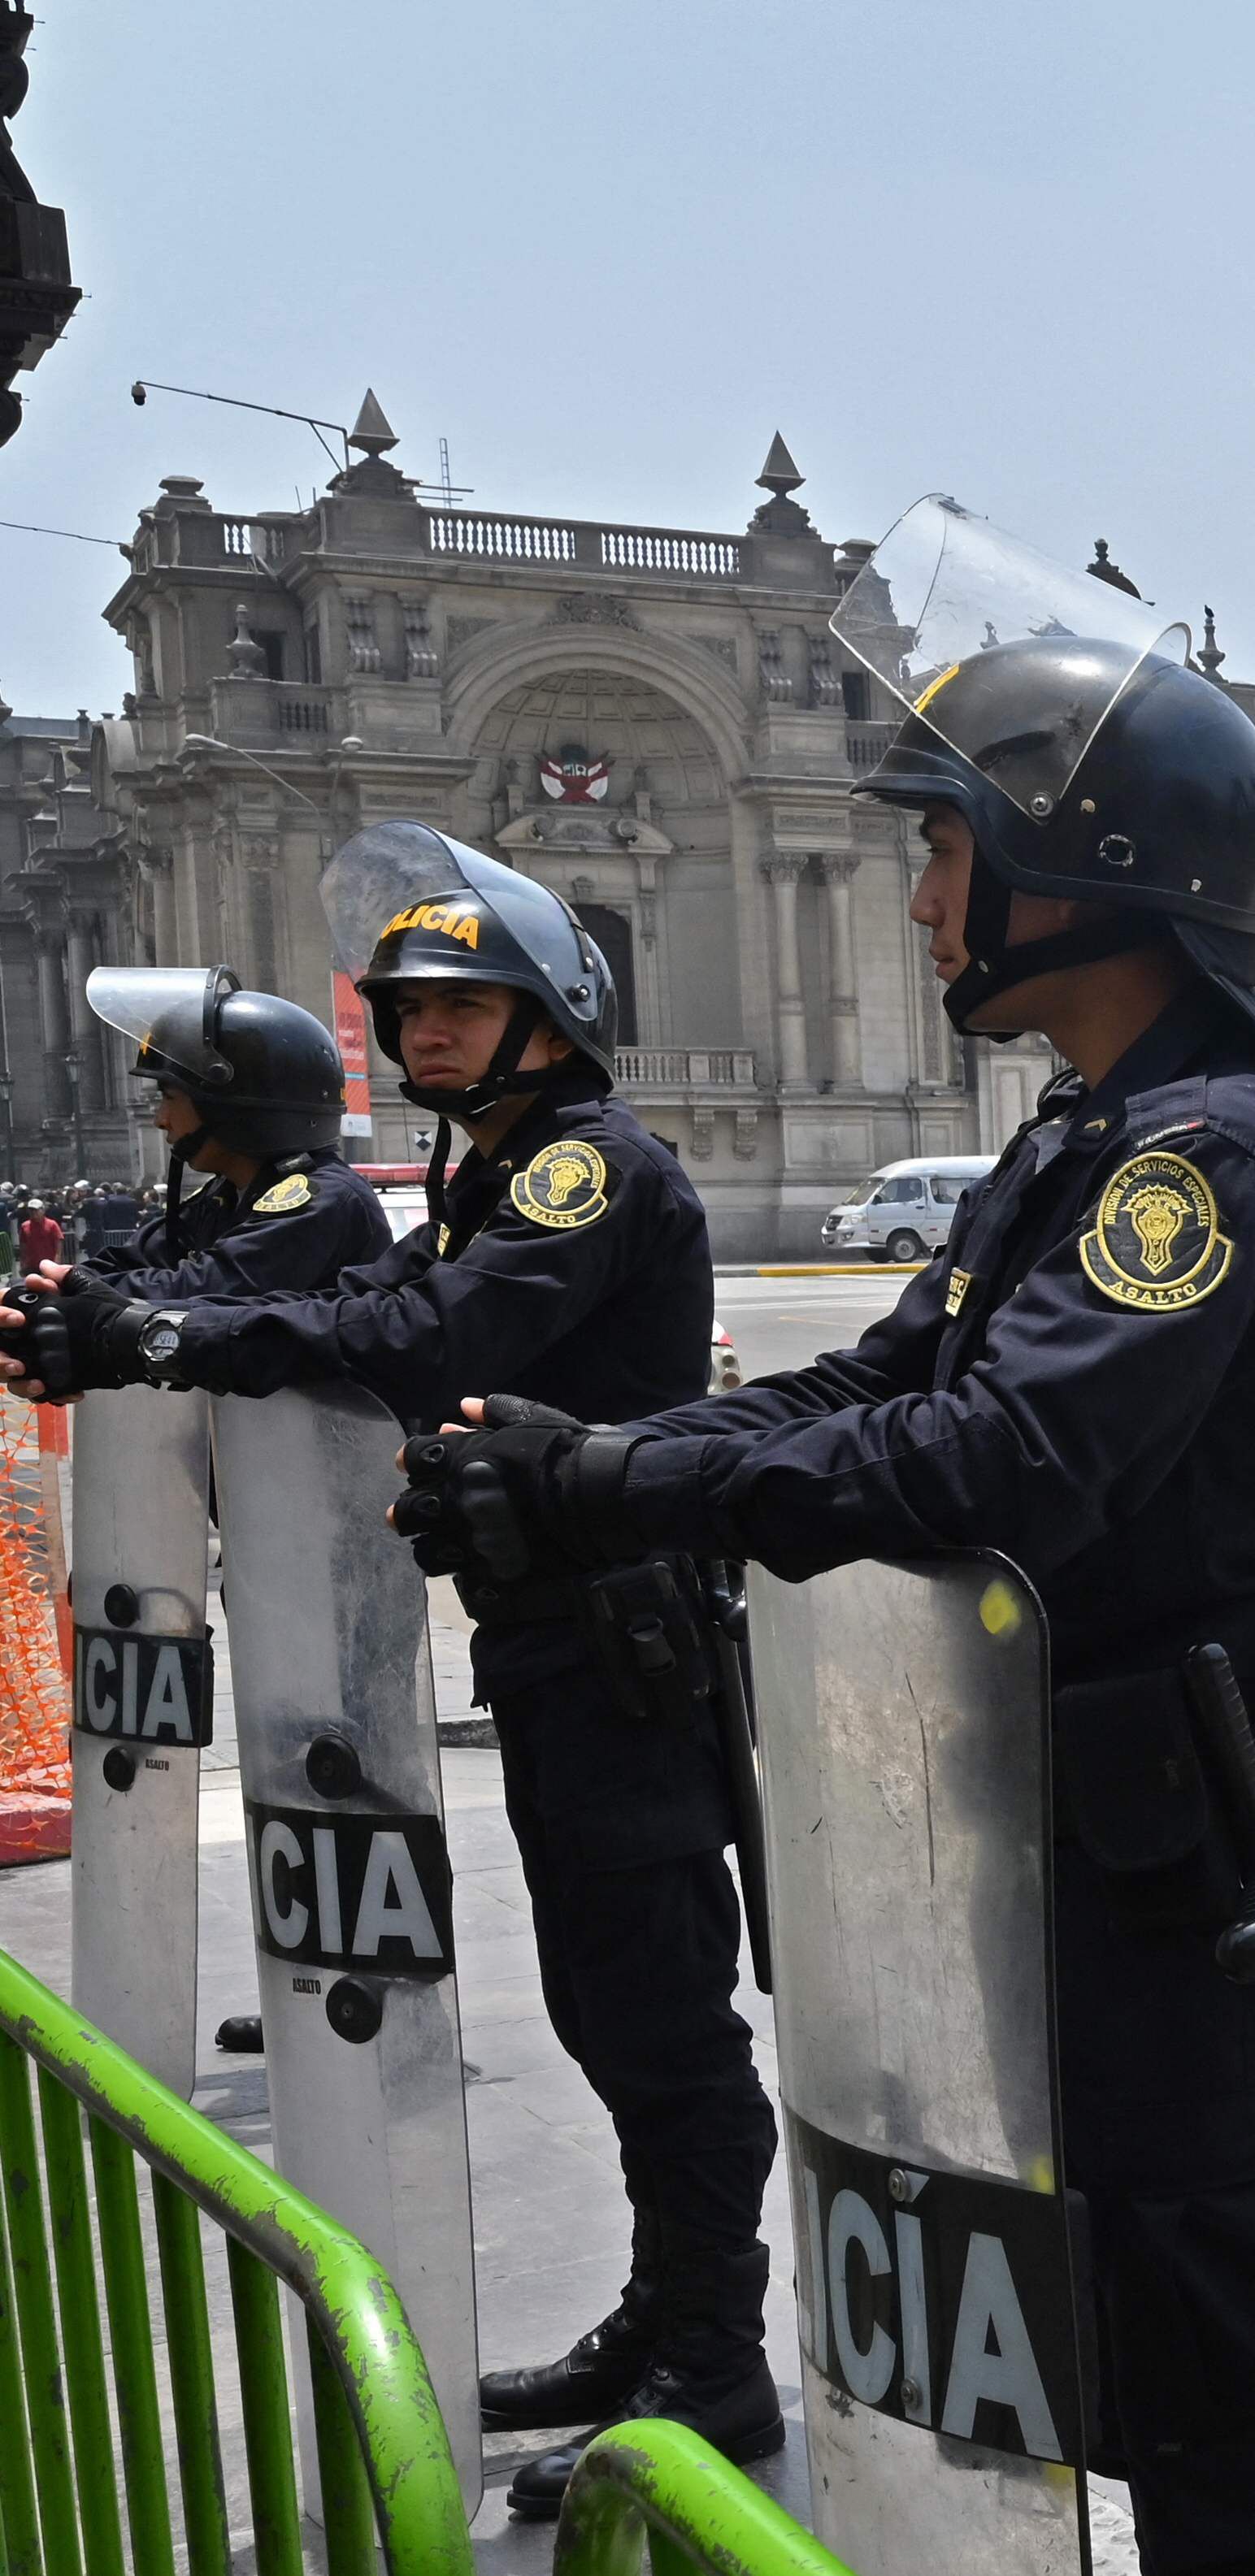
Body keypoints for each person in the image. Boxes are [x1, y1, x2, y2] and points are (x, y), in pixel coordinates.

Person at [375, 515, 1255, 2574]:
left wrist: (621, 1486)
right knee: (1094, 2366)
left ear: (1092, 867)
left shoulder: (1208, 1157)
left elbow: (996, 1454)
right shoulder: (1074, 1139)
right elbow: (861, 1385)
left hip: (1196, 1874)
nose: (923, 883)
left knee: (1246, 2420)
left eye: (952, 842)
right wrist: (600, 1449)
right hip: (1071, 1862)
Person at [0, 826, 759, 2517]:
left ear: (551, 1015)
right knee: (609, 2007)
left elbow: (428, 1339)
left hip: (628, 1645)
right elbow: (361, 1302)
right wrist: (141, 1314)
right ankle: (669, 2315)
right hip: (560, 1633)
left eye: (465, 1004)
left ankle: (718, 2356)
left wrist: (176, 1332)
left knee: (662, 2018)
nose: (424, 1029)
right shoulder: (495, 1172)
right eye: (407, 1006)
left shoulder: (586, 1168)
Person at [75, 967, 388, 1298]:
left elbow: (204, 1288)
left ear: (232, 1109)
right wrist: (56, 1284)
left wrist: (76, 1292)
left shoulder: (322, 1201)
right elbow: (140, 1257)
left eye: (169, 1098)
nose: (160, 1119)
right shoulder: (225, 1193)